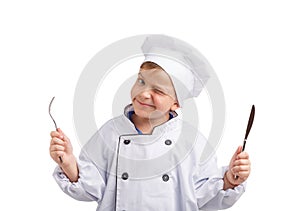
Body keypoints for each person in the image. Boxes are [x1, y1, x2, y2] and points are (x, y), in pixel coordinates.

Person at [49, 35, 251, 211]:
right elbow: (89, 189)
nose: (144, 93)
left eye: (159, 90)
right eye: (141, 81)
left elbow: (204, 196)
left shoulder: (191, 141)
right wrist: (68, 162)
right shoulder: (110, 132)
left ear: (176, 103)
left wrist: (229, 180)